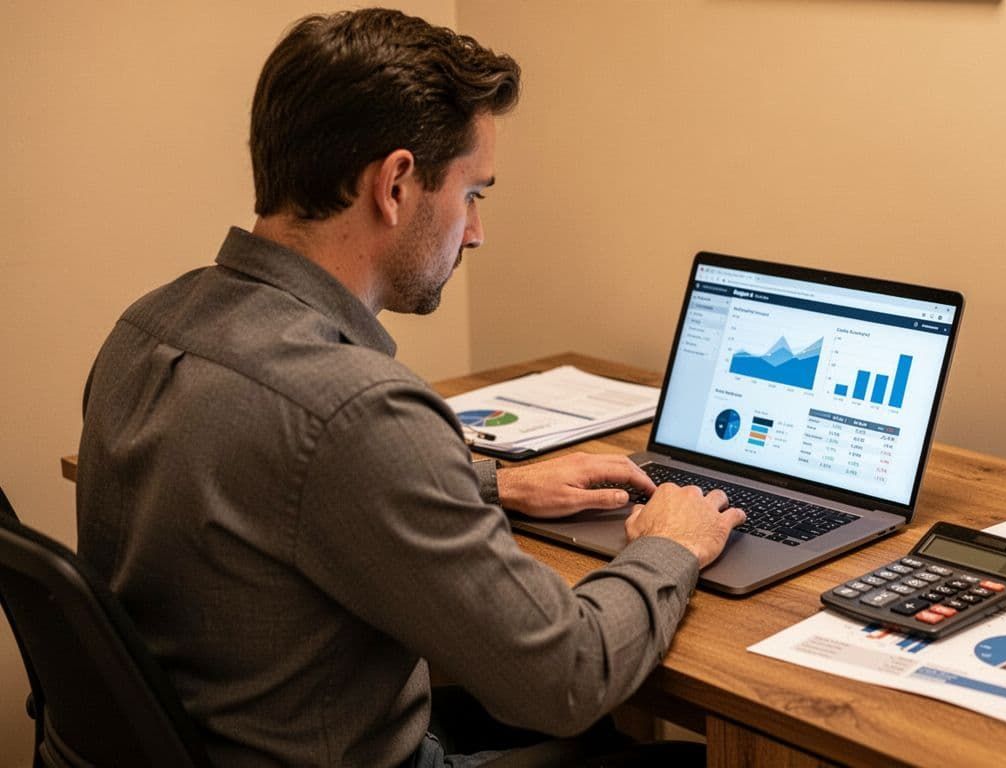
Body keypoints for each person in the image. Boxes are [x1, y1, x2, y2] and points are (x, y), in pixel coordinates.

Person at [75, 9, 745, 767]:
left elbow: (285, 491)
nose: (476, 231)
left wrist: (488, 484)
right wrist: (671, 547)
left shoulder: (149, 326)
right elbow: (570, 678)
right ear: (395, 184)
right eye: (473, 193)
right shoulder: (357, 409)